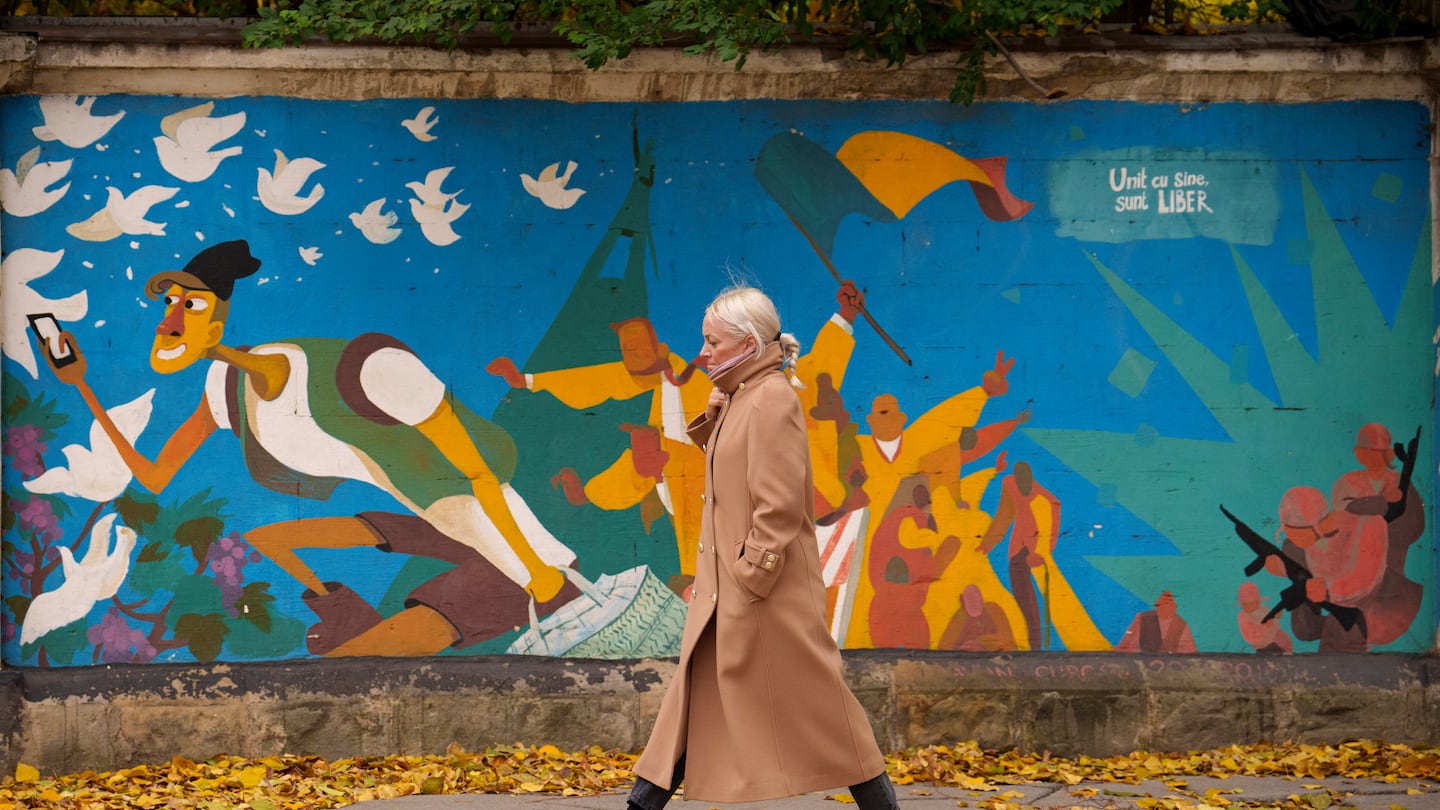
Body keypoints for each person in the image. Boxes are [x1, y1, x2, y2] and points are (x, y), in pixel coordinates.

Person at [41, 240, 585, 657]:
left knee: (369, 653)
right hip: (444, 524)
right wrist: (82, 382)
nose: (171, 320)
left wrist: (540, 577)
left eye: (193, 304)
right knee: (358, 654)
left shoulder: (371, 371)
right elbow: (155, 477)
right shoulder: (226, 389)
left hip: (514, 547)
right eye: (171, 304)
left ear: (220, 318)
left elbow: (482, 475)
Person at [628, 283, 898, 810]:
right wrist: (714, 415)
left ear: (748, 344)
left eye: (712, 343)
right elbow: (734, 467)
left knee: (819, 706)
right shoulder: (744, 396)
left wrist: (750, 576)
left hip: (761, 593)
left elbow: (776, 505)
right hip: (733, 590)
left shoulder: (771, 399)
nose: (702, 354)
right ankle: (645, 798)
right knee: (697, 697)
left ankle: (878, 799)